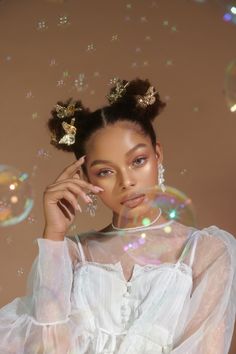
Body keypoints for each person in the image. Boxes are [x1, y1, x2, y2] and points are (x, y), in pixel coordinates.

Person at [0, 78, 235, 354]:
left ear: (157, 154)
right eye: (105, 171)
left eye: (138, 161)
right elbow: (46, 347)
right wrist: (54, 233)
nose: (127, 182)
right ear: (85, 178)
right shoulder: (74, 253)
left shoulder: (206, 251)